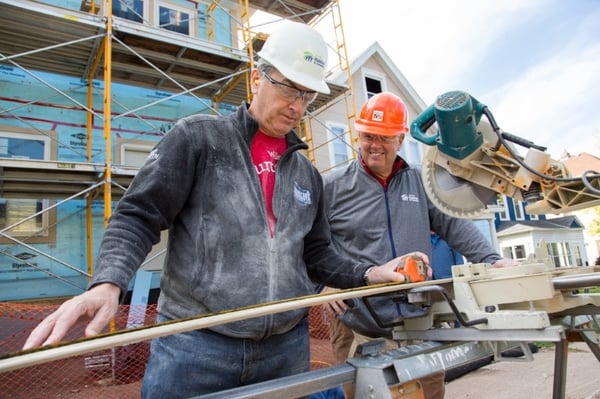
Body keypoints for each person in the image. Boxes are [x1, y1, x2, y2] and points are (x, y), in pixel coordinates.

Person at [23, 24, 426, 398]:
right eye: (289, 88)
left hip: (284, 349)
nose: (298, 106)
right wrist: (108, 283)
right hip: (196, 347)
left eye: (307, 95)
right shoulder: (199, 141)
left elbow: (318, 254)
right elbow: (137, 215)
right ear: (257, 77)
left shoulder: (306, 173)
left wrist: (370, 274)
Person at [322, 92, 518, 399]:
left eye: (384, 137)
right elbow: (308, 241)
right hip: (362, 323)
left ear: (400, 139)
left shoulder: (419, 182)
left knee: (428, 393)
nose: (374, 145)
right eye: (368, 136)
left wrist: (493, 259)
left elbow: (453, 224)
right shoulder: (333, 187)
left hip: (417, 322)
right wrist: (324, 282)